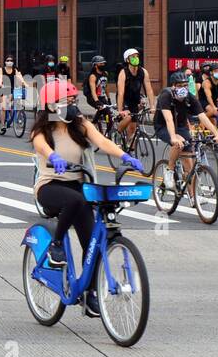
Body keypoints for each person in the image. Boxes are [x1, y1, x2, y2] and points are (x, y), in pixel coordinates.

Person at [31, 79, 143, 313]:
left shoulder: (79, 123)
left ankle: (89, 293)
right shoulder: (43, 129)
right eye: (67, 101)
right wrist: (54, 157)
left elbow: (102, 141)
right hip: (50, 186)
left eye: (74, 100)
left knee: (92, 243)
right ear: (52, 106)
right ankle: (57, 245)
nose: (73, 105)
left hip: (79, 187)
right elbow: (41, 146)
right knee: (75, 200)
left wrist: (125, 157)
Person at [154, 69, 218, 188]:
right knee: (178, 143)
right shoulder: (166, 96)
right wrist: (173, 137)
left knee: (189, 167)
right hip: (163, 126)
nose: (183, 88)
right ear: (173, 86)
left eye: (185, 85)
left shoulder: (189, 97)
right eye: (180, 86)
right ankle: (169, 170)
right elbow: (169, 119)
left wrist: (217, 133)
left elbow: (203, 117)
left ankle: (193, 197)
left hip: (181, 126)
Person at [116, 48, 156, 142]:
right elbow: (120, 93)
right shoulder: (123, 73)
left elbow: (149, 90)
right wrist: (120, 110)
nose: (136, 58)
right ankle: (117, 133)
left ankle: (130, 148)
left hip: (135, 99)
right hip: (125, 99)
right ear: (127, 60)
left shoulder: (143, 72)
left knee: (133, 128)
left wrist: (152, 106)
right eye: (133, 57)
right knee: (128, 117)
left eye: (137, 56)